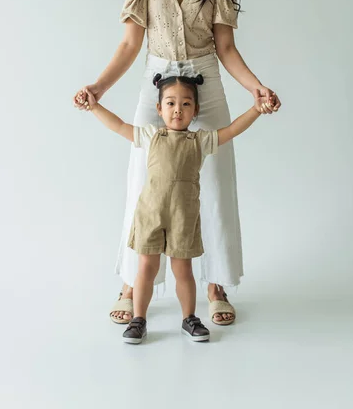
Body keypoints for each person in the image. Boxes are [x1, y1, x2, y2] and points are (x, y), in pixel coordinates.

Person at [73, 0, 281, 327]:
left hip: (206, 82)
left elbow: (225, 48)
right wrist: (99, 86)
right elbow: (131, 44)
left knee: (217, 179)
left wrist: (256, 87)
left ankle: (216, 284)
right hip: (157, 83)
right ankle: (132, 282)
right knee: (141, 179)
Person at [83, 67, 266, 343]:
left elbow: (231, 130)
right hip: (150, 216)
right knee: (146, 268)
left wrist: (256, 109)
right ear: (159, 107)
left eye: (185, 104)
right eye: (170, 103)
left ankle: (189, 318)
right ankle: (138, 319)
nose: (177, 110)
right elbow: (119, 125)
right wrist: (94, 106)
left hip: (183, 218)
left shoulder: (200, 141)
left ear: (196, 110)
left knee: (183, 270)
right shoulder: (150, 136)